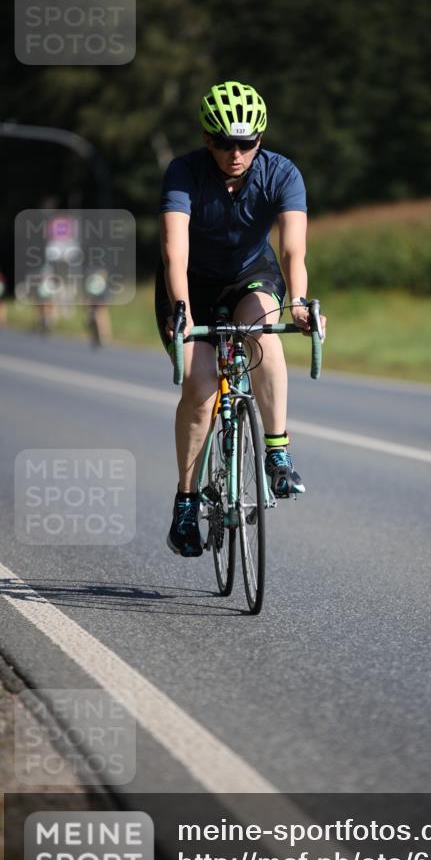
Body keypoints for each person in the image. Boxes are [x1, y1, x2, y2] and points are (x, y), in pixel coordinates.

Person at [156, 80, 326, 557]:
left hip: (252, 274)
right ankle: (186, 500)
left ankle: (277, 450)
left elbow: (294, 247)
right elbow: (175, 249)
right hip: (190, 282)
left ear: (260, 140)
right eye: (224, 143)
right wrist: (182, 310)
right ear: (206, 139)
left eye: (246, 143)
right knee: (201, 383)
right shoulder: (183, 173)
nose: (235, 153)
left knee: (263, 339)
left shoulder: (281, 173)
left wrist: (299, 300)